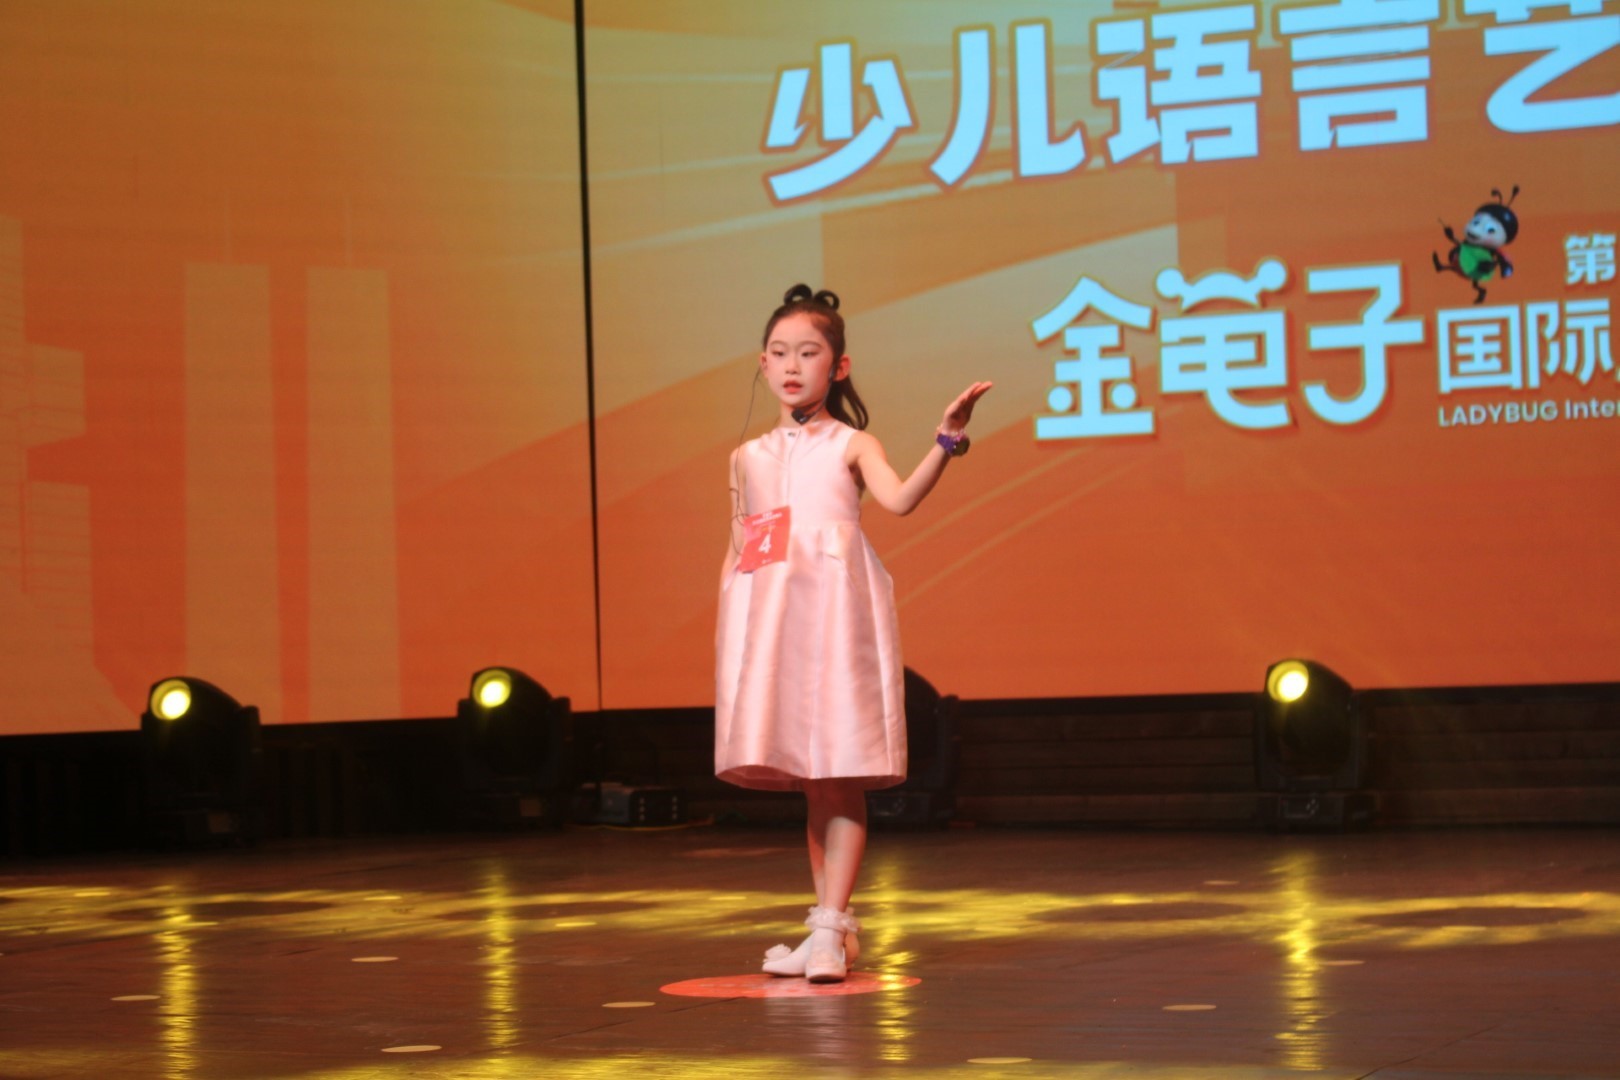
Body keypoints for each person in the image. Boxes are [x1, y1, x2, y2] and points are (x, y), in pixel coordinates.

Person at [715, 283, 992, 983]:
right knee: (813, 783)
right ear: (762, 362)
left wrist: (947, 438)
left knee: (837, 770)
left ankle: (831, 931)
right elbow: (743, 552)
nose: (791, 366)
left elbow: (899, 500)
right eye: (779, 353)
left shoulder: (851, 443)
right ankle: (826, 927)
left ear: (838, 366)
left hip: (834, 618)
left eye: (808, 353)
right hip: (775, 623)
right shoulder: (747, 456)